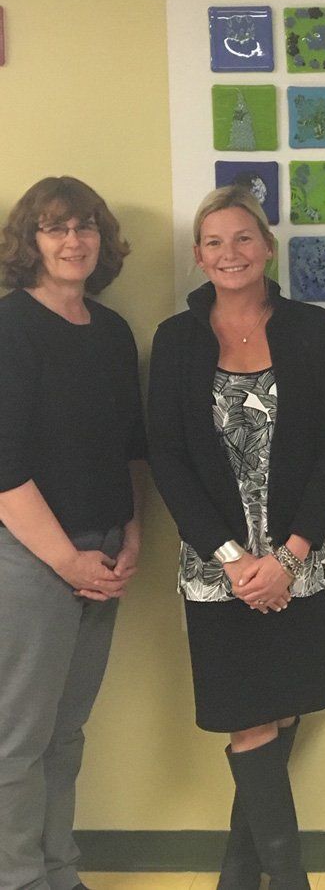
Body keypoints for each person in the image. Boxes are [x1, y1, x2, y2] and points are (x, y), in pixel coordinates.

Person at [148, 186, 325, 889]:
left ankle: (238, 875)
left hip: (300, 560)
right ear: (199, 256)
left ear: (266, 247)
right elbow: (167, 455)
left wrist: (289, 557)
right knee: (248, 719)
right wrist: (236, 561)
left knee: (284, 704)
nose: (229, 253)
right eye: (213, 241)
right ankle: (288, 879)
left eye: (242, 238)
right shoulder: (176, 340)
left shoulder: (312, 329)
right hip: (217, 571)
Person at [0, 177, 145, 890]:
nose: (73, 240)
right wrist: (67, 561)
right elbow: (3, 471)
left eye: (85, 225)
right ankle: (21, 878)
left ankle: (61, 871)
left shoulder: (112, 331)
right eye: (56, 228)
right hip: (31, 559)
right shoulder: (9, 327)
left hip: (103, 553)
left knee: (65, 734)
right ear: (31, 241)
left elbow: (127, 446)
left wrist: (131, 534)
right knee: (17, 741)